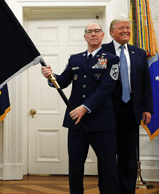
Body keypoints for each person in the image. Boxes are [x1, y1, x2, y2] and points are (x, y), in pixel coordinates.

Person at [41, 22, 120, 194]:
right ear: (84, 36)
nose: (93, 34)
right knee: (75, 165)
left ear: (102, 36)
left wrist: (84, 107)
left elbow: (106, 88)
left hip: (102, 123)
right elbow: (62, 81)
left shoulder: (112, 59)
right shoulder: (74, 59)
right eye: (89, 31)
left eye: (97, 31)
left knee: (107, 166)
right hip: (77, 123)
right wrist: (51, 76)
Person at [102, 18, 154, 194]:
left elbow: (146, 83)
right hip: (107, 112)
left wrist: (147, 108)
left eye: (128, 28)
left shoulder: (139, 53)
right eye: (121, 28)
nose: (126, 30)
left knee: (129, 157)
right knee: (108, 155)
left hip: (131, 111)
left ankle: (127, 190)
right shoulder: (102, 51)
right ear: (112, 32)